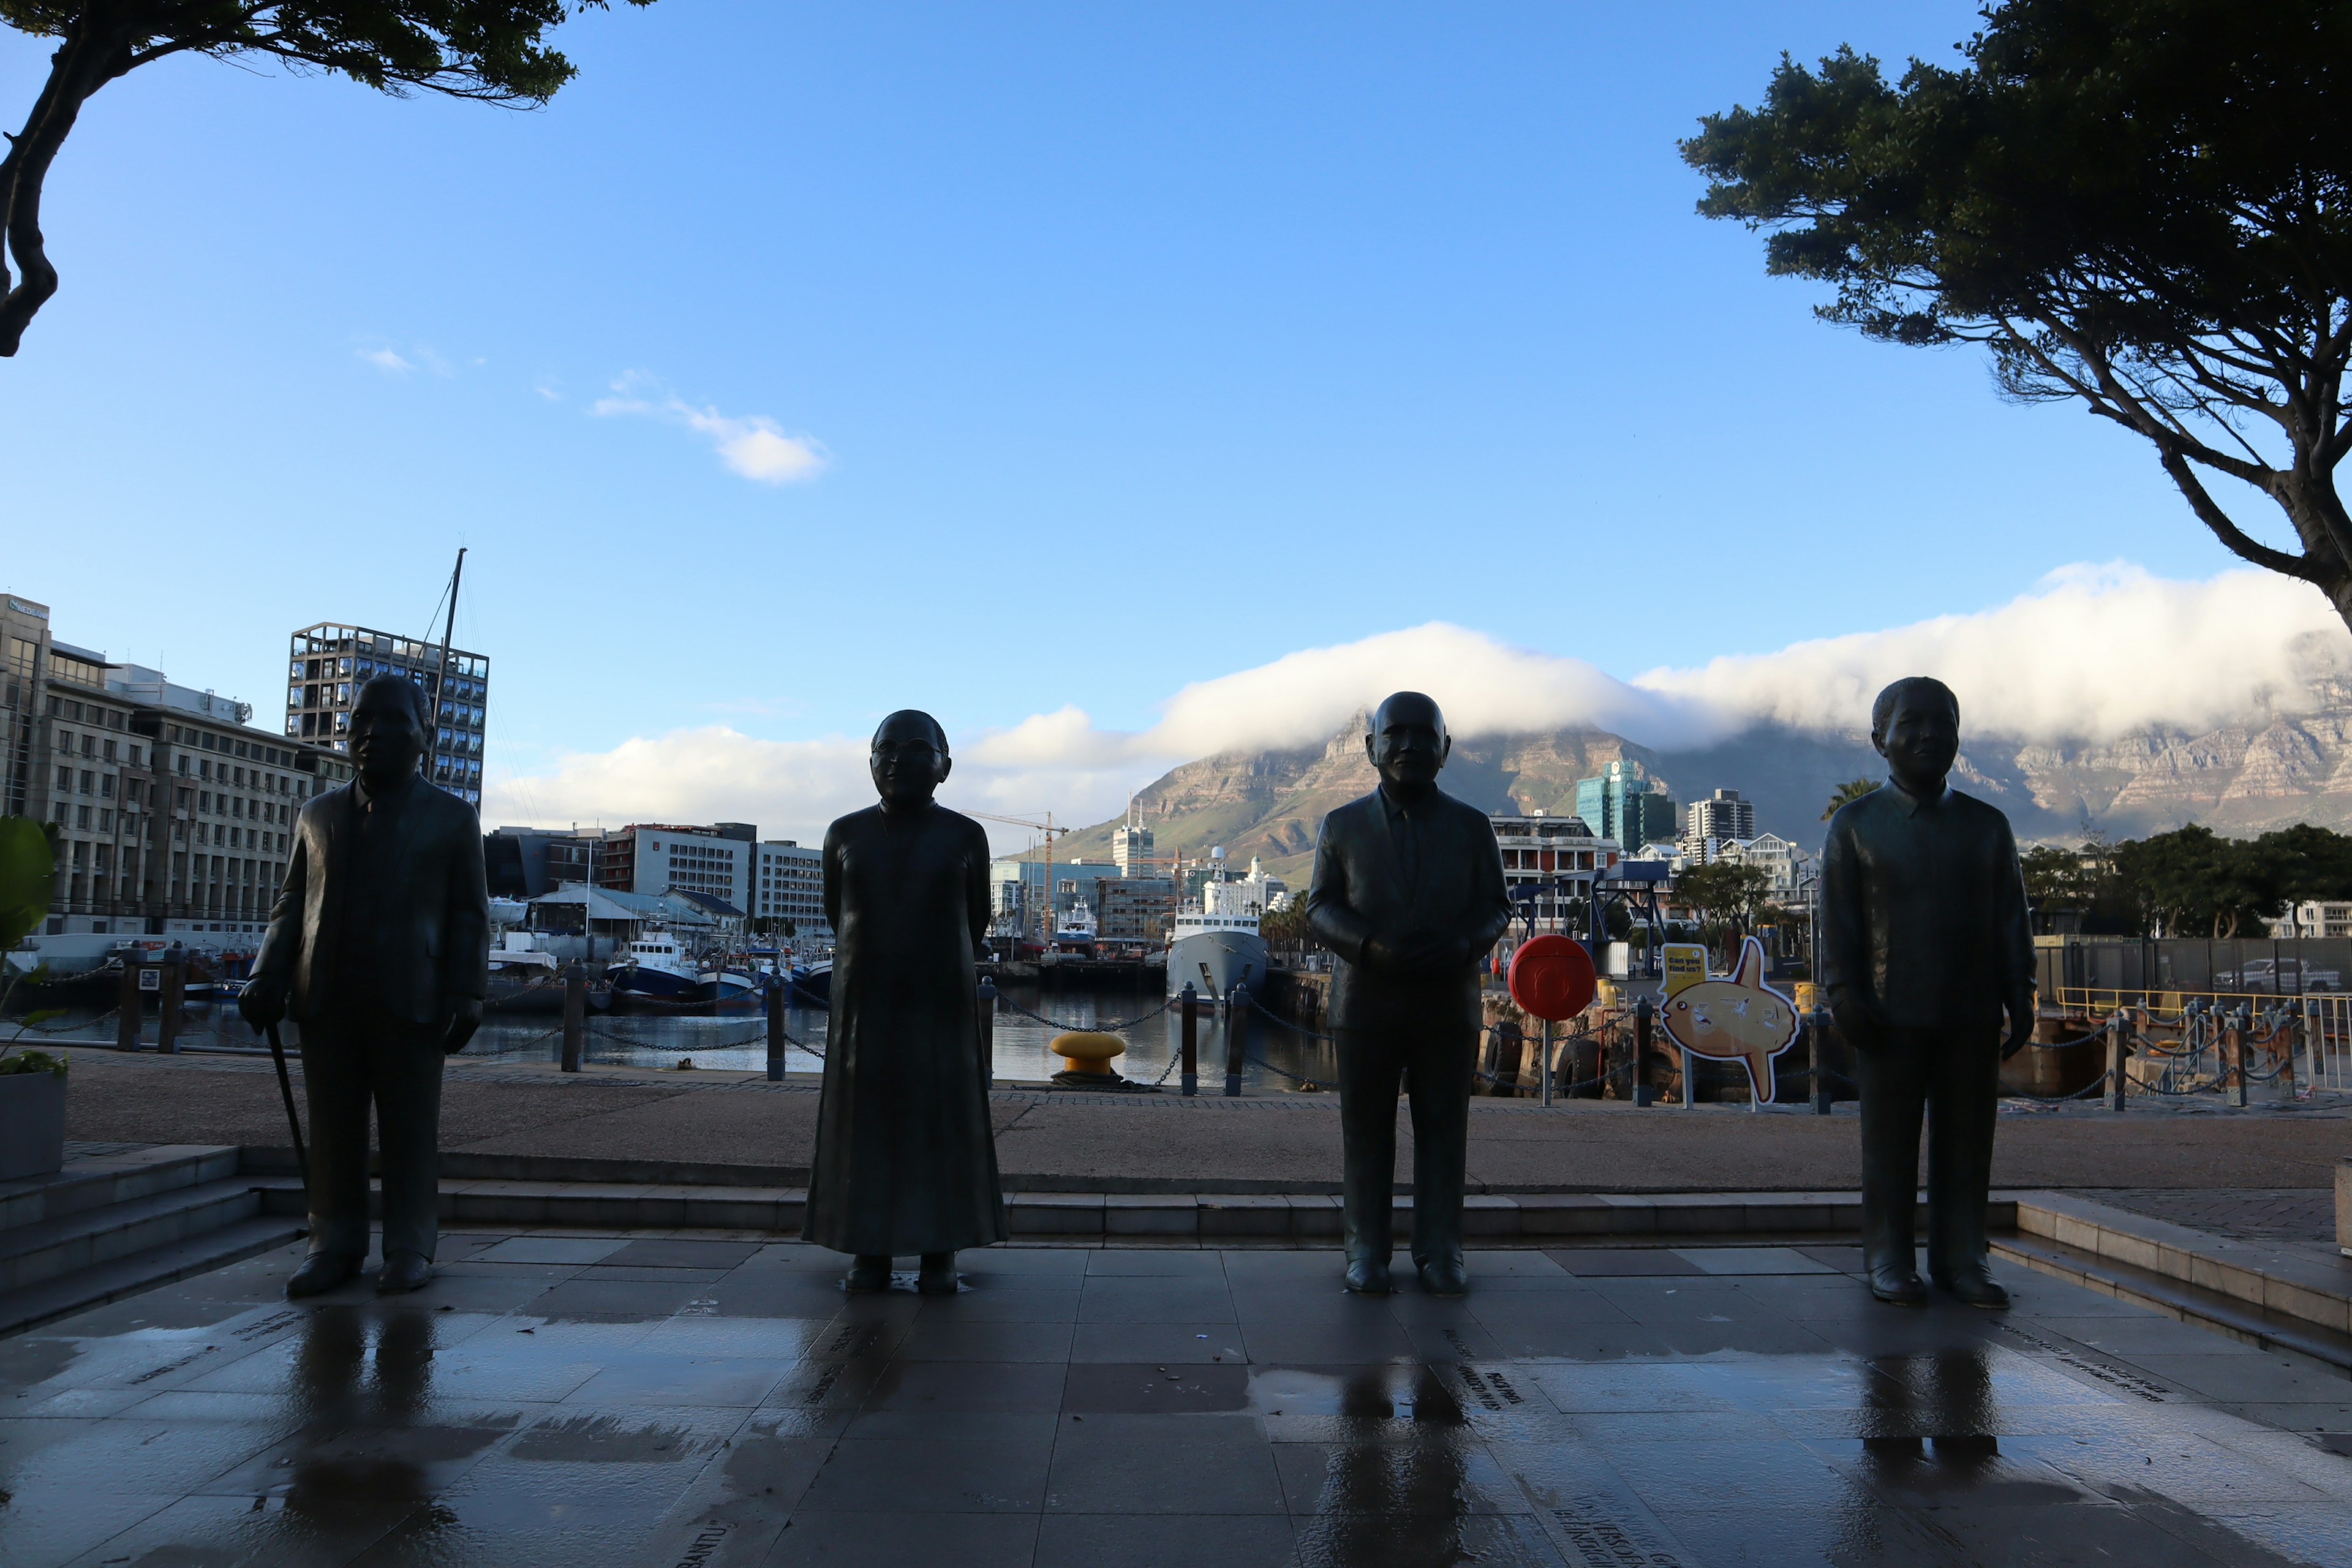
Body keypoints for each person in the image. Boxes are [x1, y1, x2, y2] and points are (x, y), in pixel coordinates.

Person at [241, 673, 489, 1298]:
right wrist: (267, 973)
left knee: (410, 1128)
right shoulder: (317, 814)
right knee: (333, 1127)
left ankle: (409, 1246)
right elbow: (291, 903)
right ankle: (333, 1243)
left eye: (391, 722)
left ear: (424, 736)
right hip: (325, 994)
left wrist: (468, 990)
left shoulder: (453, 818)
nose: (372, 734)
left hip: (412, 995)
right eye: (361, 722)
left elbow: (470, 912)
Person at [1822, 676, 2034, 1309]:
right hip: (1890, 1014)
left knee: (1968, 1145)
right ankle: (1888, 1255)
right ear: (1879, 740)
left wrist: (2020, 992)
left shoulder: (1987, 825)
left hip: (1969, 1013)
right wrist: (1844, 993)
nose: (1929, 735)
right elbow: (1839, 921)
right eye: (1912, 722)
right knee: (1887, 1145)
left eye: (1942, 723)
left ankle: (1963, 1258)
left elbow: (2011, 919)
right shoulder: (1854, 826)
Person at [1306, 692, 1510, 1295]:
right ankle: (1365, 1246)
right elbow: (1320, 905)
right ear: (1371, 747)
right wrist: (1369, 946)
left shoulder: (1472, 826)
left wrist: (1462, 944)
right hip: (1365, 1001)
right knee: (1365, 1131)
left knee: (1445, 1129)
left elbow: (1497, 906)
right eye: (1395, 734)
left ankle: (1441, 1247)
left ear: (1445, 749)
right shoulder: (1341, 826)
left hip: (1448, 1002)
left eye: (1426, 735)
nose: (1410, 746)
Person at [805, 710, 1006, 1292]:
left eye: (917, 749)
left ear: (944, 767)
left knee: (942, 1121)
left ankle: (939, 1255)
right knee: (862, 1123)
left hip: (940, 1000)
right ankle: (868, 1252)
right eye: (884, 749)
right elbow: (837, 912)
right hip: (863, 1003)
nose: (897, 760)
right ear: (869, 762)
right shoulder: (845, 834)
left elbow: (975, 918)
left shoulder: (967, 836)